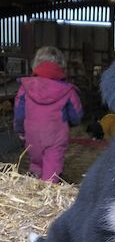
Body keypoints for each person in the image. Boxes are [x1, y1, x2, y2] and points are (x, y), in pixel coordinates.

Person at [13, 46, 83, 183]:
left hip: (32, 137)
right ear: (61, 65)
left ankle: (32, 191)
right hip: (55, 139)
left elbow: (19, 114)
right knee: (51, 173)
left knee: (36, 165)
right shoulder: (67, 90)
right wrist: (70, 122)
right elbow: (76, 116)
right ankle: (47, 195)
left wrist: (20, 131)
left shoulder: (25, 87)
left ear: (36, 64)